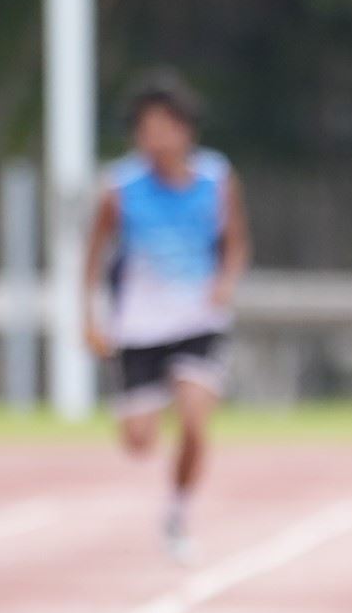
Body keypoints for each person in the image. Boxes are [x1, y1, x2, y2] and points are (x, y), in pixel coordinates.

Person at [82, 71, 247, 563]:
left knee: (195, 422)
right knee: (138, 442)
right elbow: (92, 256)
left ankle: (177, 512)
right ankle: (152, 402)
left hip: (197, 319)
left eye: (162, 127)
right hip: (140, 325)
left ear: (184, 130)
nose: (154, 139)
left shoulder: (216, 179)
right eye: (144, 129)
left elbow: (236, 243)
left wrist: (226, 281)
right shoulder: (120, 188)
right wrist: (89, 317)